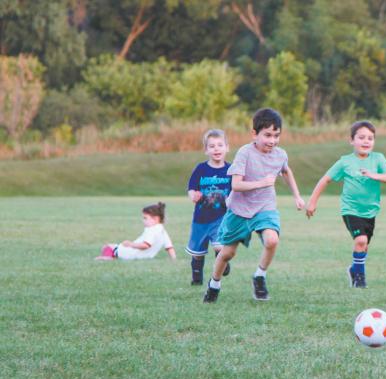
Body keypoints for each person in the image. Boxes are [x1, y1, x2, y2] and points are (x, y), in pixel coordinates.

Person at [203, 108, 305, 303]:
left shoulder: (280, 154)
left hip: (265, 207)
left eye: (276, 135)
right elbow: (236, 185)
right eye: (267, 135)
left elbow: (286, 171)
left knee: (272, 240)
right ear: (254, 134)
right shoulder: (245, 153)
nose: (272, 140)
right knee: (227, 253)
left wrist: (297, 196)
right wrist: (262, 183)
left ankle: (259, 276)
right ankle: (214, 284)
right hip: (239, 210)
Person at [306, 120, 386, 288]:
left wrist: (375, 175)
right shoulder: (345, 162)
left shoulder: (378, 159)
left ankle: (354, 269)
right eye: (361, 137)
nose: (366, 141)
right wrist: (312, 202)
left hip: (370, 211)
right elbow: (325, 179)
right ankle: (360, 279)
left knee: (364, 245)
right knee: (361, 240)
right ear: (351, 140)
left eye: (370, 138)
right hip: (351, 210)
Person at [186, 129, 232, 285]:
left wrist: (232, 200)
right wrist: (193, 195)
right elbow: (191, 187)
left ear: (227, 147)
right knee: (197, 253)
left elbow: (236, 191)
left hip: (221, 217)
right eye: (212, 146)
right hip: (201, 218)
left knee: (220, 246)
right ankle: (196, 276)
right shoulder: (201, 169)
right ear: (206, 150)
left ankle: (223, 262)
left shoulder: (231, 170)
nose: (216, 149)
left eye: (220, 145)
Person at [96, 202, 176, 261]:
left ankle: (107, 258)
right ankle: (111, 257)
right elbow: (169, 247)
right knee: (112, 248)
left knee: (108, 247)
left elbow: (145, 245)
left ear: (155, 219)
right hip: (146, 256)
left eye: (145, 218)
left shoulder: (151, 231)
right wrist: (174, 259)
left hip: (134, 254)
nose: (143, 220)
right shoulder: (162, 231)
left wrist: (130, 244)